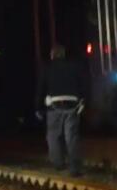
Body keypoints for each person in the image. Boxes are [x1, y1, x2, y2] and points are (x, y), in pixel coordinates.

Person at [36, 44, 86, 175]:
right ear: (63, 55)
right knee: (72, 137)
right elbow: (83, 84)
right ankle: (74, 168)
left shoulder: (47, 67)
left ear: (52, 55)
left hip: (54, 105)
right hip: (73, 104)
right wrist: (83, 101)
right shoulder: (74, 66)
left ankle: (58, 164)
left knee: (53, 135)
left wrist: (38, 108)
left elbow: (41, 88)